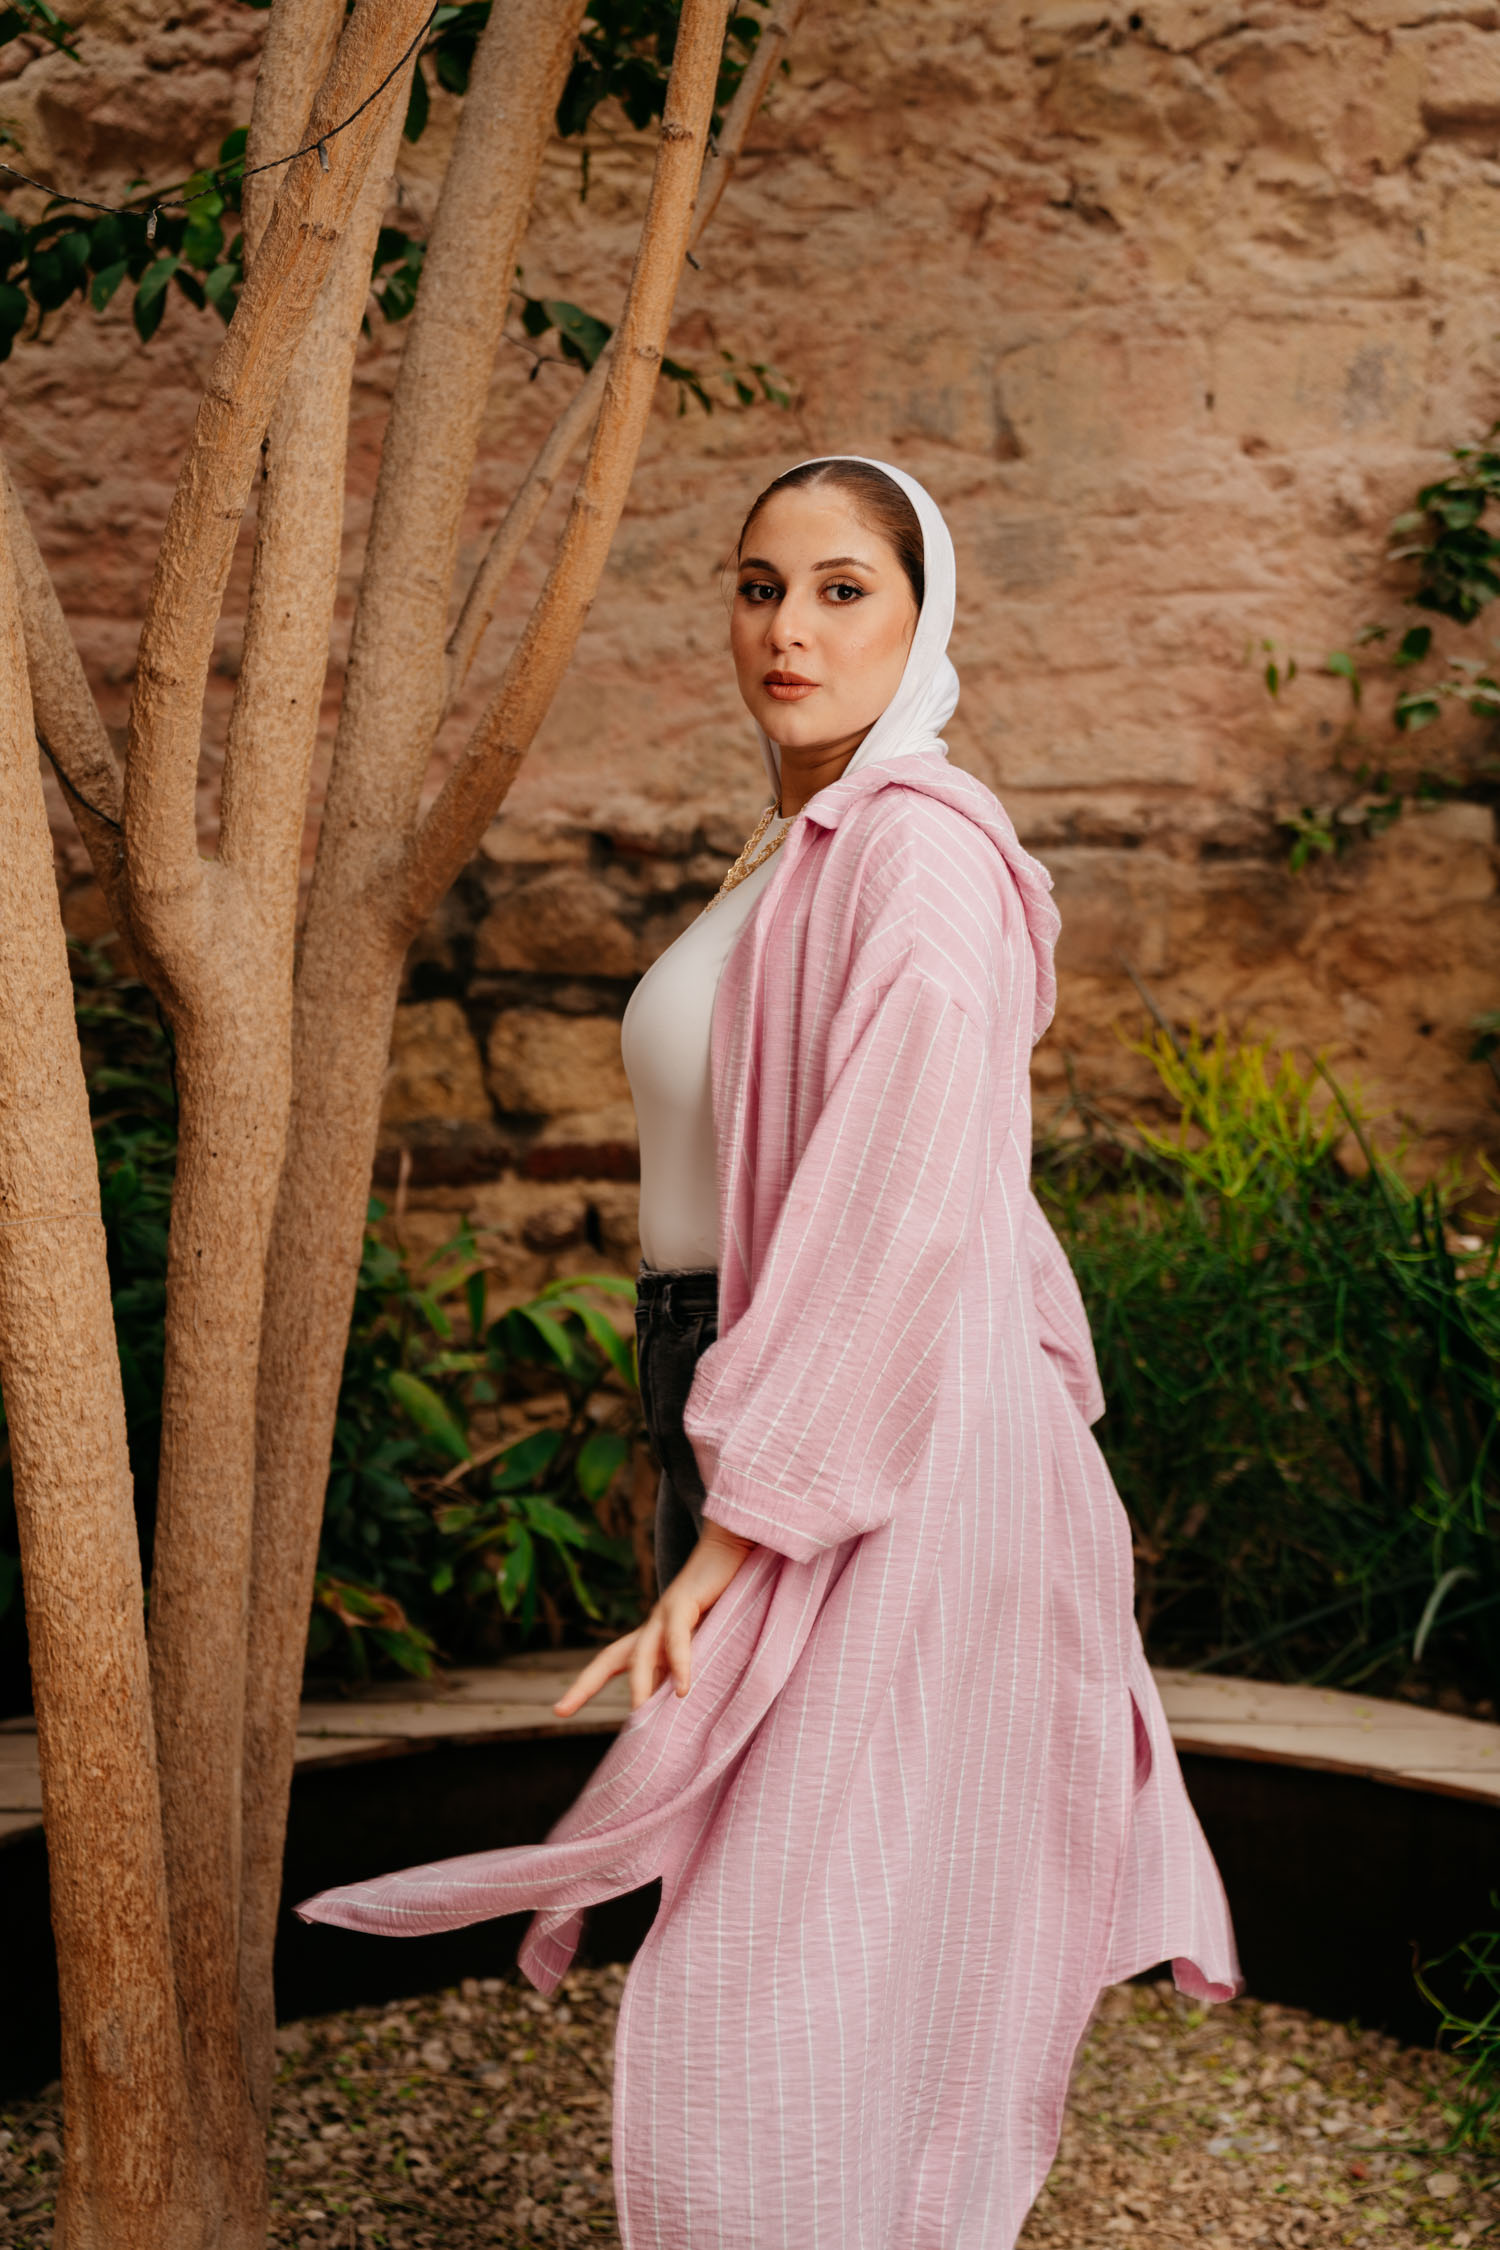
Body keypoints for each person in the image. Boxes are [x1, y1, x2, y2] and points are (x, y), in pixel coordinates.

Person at [299, 456, 1240, 2249]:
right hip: (739, 1384)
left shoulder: (918, 854)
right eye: (757, 587)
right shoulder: (797, 840)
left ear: (924, 618)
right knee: (813, 1903)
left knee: (787, 1931)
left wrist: (749, 1519)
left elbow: (901, 1199)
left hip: (849, 1428)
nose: (787, 629)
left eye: (840, 590)